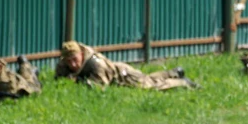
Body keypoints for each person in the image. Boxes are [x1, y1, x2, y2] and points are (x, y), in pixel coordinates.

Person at [54, 41, 199, 90]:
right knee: (147, 78)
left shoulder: (95, 64)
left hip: (122, 75)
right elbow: (58, 79)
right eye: (68, 61)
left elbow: (99, 86)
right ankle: (173, 72)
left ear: (81, 53)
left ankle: (182, 82)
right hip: (117, 71)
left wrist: (78, 81)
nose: (72, 64)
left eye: (75, 59)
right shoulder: (64, 63)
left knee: (150, 86)